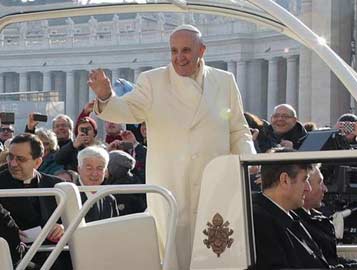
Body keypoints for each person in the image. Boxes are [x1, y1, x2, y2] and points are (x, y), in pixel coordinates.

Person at [88, 24, 255, 269]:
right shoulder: (152, 80)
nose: (179, 57)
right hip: (170, 181)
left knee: (215, 250)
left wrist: (247, 159)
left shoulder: (225, 81)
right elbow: (128, 110)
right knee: (172, 251)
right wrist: (106, 96)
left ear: (202, 50)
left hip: (214, 181)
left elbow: (238, 128)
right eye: (174, 51)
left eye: (186, 50)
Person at [0, 133, 71, 269]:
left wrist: (63, 227)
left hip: (55, 258)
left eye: (20, 159)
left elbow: (79, 218)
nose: (13, 163)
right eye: (10, 157)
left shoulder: (56, 185)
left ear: (37, 162)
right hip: (14, 260)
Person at [252, 148, 329, 269]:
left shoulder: (288, 217)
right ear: (285, 180)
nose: (308, 188)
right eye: (305, 180)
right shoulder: (259, 222)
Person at [295, 165, 357, 268]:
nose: (325, 189)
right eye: (320, 183)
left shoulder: (318, 219)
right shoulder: (297, 224)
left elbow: (331, 259)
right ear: (306, 186)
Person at [77, 146, 119, 222]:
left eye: (100, 168)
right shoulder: (69, 196)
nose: (94, 173)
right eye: (89, 168)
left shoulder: (109, 199)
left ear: (105, 172)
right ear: (79, 169)